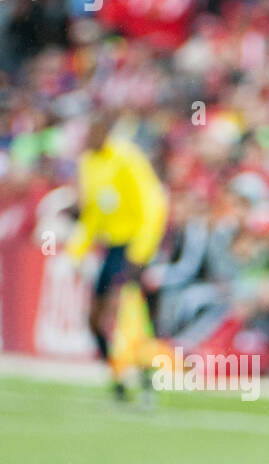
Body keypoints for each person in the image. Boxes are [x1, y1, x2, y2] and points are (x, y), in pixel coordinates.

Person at [67, 112, 168, 400]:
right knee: (96, 318)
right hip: (113, 246)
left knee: (130, 317)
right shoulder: (88, 163)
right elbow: (92, 213)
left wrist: (141, 252)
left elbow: (153, 202)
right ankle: (118, 378)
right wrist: (77, 251)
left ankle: (148, 381)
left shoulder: (127, 158)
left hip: (135, 245)